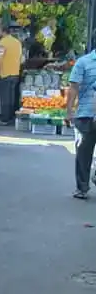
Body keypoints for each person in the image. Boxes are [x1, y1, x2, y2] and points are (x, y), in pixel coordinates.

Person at [66, 41, 96, 199]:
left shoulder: (83, 62)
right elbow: (73, 88)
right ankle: (84, 185)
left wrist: (69, 111)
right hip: (86, 114)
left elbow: (73, 88)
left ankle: (82, 188)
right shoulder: (83, 62)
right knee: (84, 152)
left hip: (85, 114)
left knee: (83, 152)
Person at [0, 25, 23, 125]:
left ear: (3, 32)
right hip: (15, 73)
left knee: (4, 98)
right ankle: (11, 117)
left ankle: (4, 119)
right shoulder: (17, 42)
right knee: (11, 97)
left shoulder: (1, 44)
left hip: (4, 74)